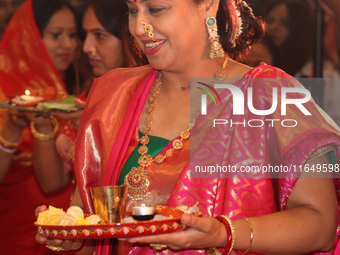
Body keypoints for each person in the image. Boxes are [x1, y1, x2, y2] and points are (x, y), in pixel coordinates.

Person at [36, 0, 340, 254]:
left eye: (155, 9)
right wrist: (70, 236)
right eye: (132, 10)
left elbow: (320, 224)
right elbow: (96, 230)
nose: (138, 28)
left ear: (208, 4)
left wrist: (224, 233)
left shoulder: (267, 94)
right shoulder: (112, 94)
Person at [30, 0, 146, 194]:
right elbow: (51, 184)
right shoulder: (91, 96)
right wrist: (44, 128)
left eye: (99, 35)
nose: (85, 47)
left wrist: (101, 129)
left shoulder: (205, 87)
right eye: (85, 35)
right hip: (101, 219)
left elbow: (207, 174)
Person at [0, 0, 78, 254]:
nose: (73, 45)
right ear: (28, 38)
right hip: (26, 233)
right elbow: (52, 183)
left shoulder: (205, 89)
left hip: (71, 232)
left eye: (73, 35)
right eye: (56, 35)